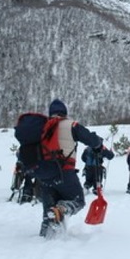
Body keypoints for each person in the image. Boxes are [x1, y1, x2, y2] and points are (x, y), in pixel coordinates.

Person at [36, 99, 105, 236]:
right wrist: (98, 144)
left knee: (49, 211)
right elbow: (92, 140)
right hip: (64, 172)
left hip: (43, 175)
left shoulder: (41, 128)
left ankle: (46, 236)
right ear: (65, 113)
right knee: (78, 200)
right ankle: (62, 209)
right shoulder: (72, 125)